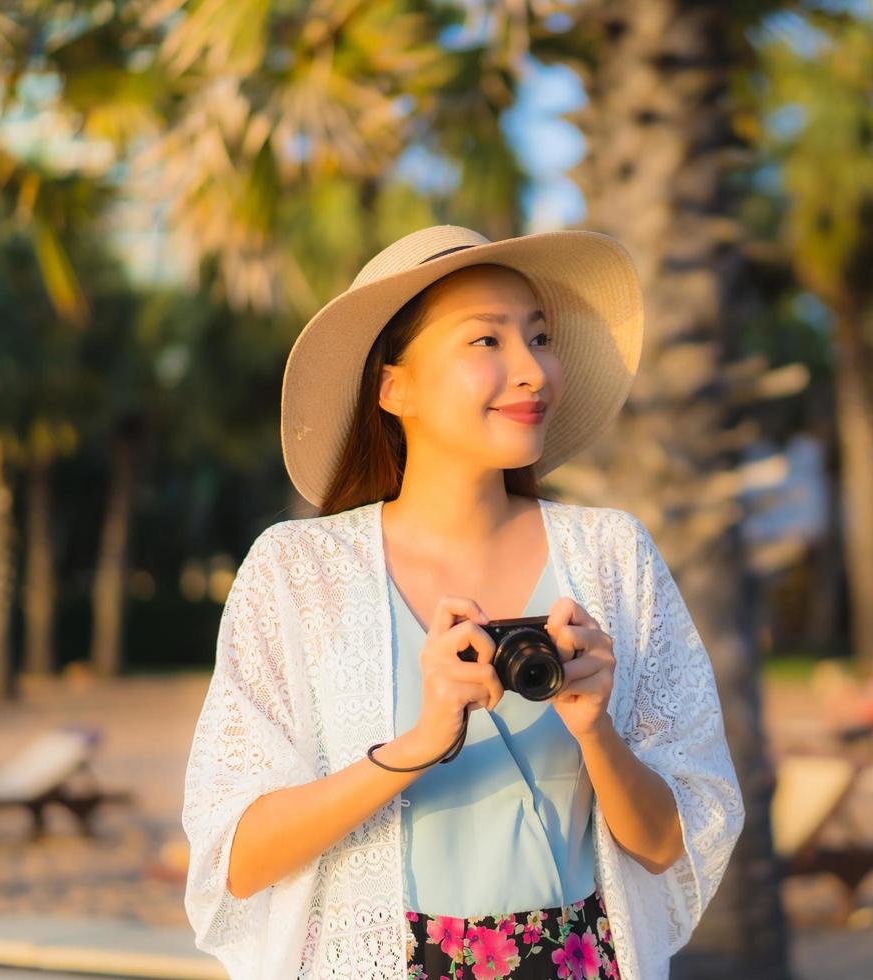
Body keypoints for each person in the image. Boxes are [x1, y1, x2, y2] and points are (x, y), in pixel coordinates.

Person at [181, 225, 744, 979]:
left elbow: (666, 843)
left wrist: (597, 732)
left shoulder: (613, 556)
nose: (533, 370)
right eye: (487, 341)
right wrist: (414, 747)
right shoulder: (295, 573)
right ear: (393, 387)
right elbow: (237, 860)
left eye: (540, 338)